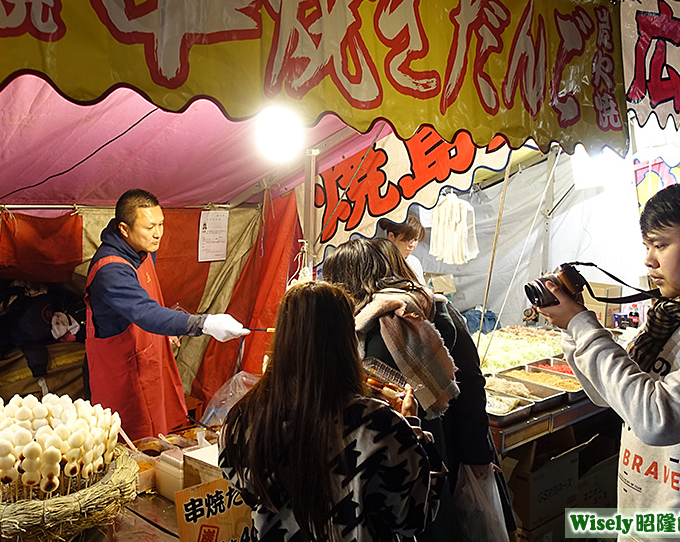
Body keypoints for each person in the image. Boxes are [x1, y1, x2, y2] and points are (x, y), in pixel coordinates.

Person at [536, 180, 680, 524]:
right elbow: (609, 397)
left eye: (660, 245)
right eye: (647, 246)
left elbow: (656, 419)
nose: (648, 260)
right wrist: (572, 328)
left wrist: (582, 325)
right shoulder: (673, 315)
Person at [219, 281, 443, 541]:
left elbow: (247, 492)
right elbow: (413, 516)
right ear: (346, 341)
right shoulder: (379, 424)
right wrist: (411, 426)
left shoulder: (240, 420)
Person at [322, 238, 508, 541]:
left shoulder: (365, 332)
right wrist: (479, 459)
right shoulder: (437, 308)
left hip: (404, 461)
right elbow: (473, 388)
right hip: (453, 449)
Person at [85, 189, 248, 441]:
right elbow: (144, 311)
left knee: (160, 430)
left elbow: (149, 297)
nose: (158, 233)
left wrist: (167, 328)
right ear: (124, 229)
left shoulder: (143, 248)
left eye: (161, 224)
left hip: (150, 355)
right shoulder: (110, 270)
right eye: (150, 226)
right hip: (122, 371)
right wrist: (205, 322)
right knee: (133, 441)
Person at [379, 214, 427, 284]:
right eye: (407, 239)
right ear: (391, 236)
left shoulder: (414, 262)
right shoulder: (381, 262)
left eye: (416, 240)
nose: (412, 245)